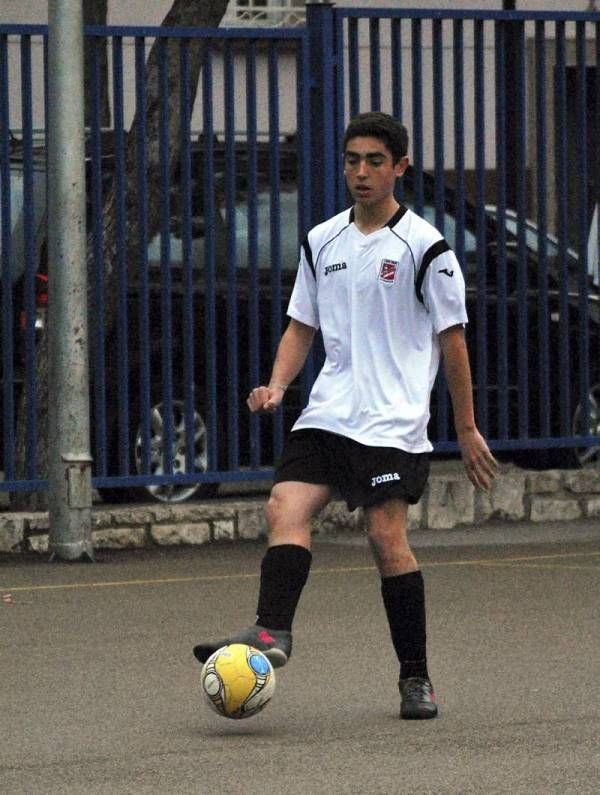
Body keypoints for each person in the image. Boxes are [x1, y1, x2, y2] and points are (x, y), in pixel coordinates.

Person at [194, 112, 498, 720]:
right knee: (284, 507)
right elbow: (301, 324)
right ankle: (271, 634)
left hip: (391, 423)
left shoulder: (427, 249)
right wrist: (278, 385)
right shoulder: (322, 240)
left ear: (400, 168)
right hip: (329, 412)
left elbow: (454, 341)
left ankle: (416, 679)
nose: (361, 172)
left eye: (375, 161)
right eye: (353, 160)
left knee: (386, 540)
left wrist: (464, 427)